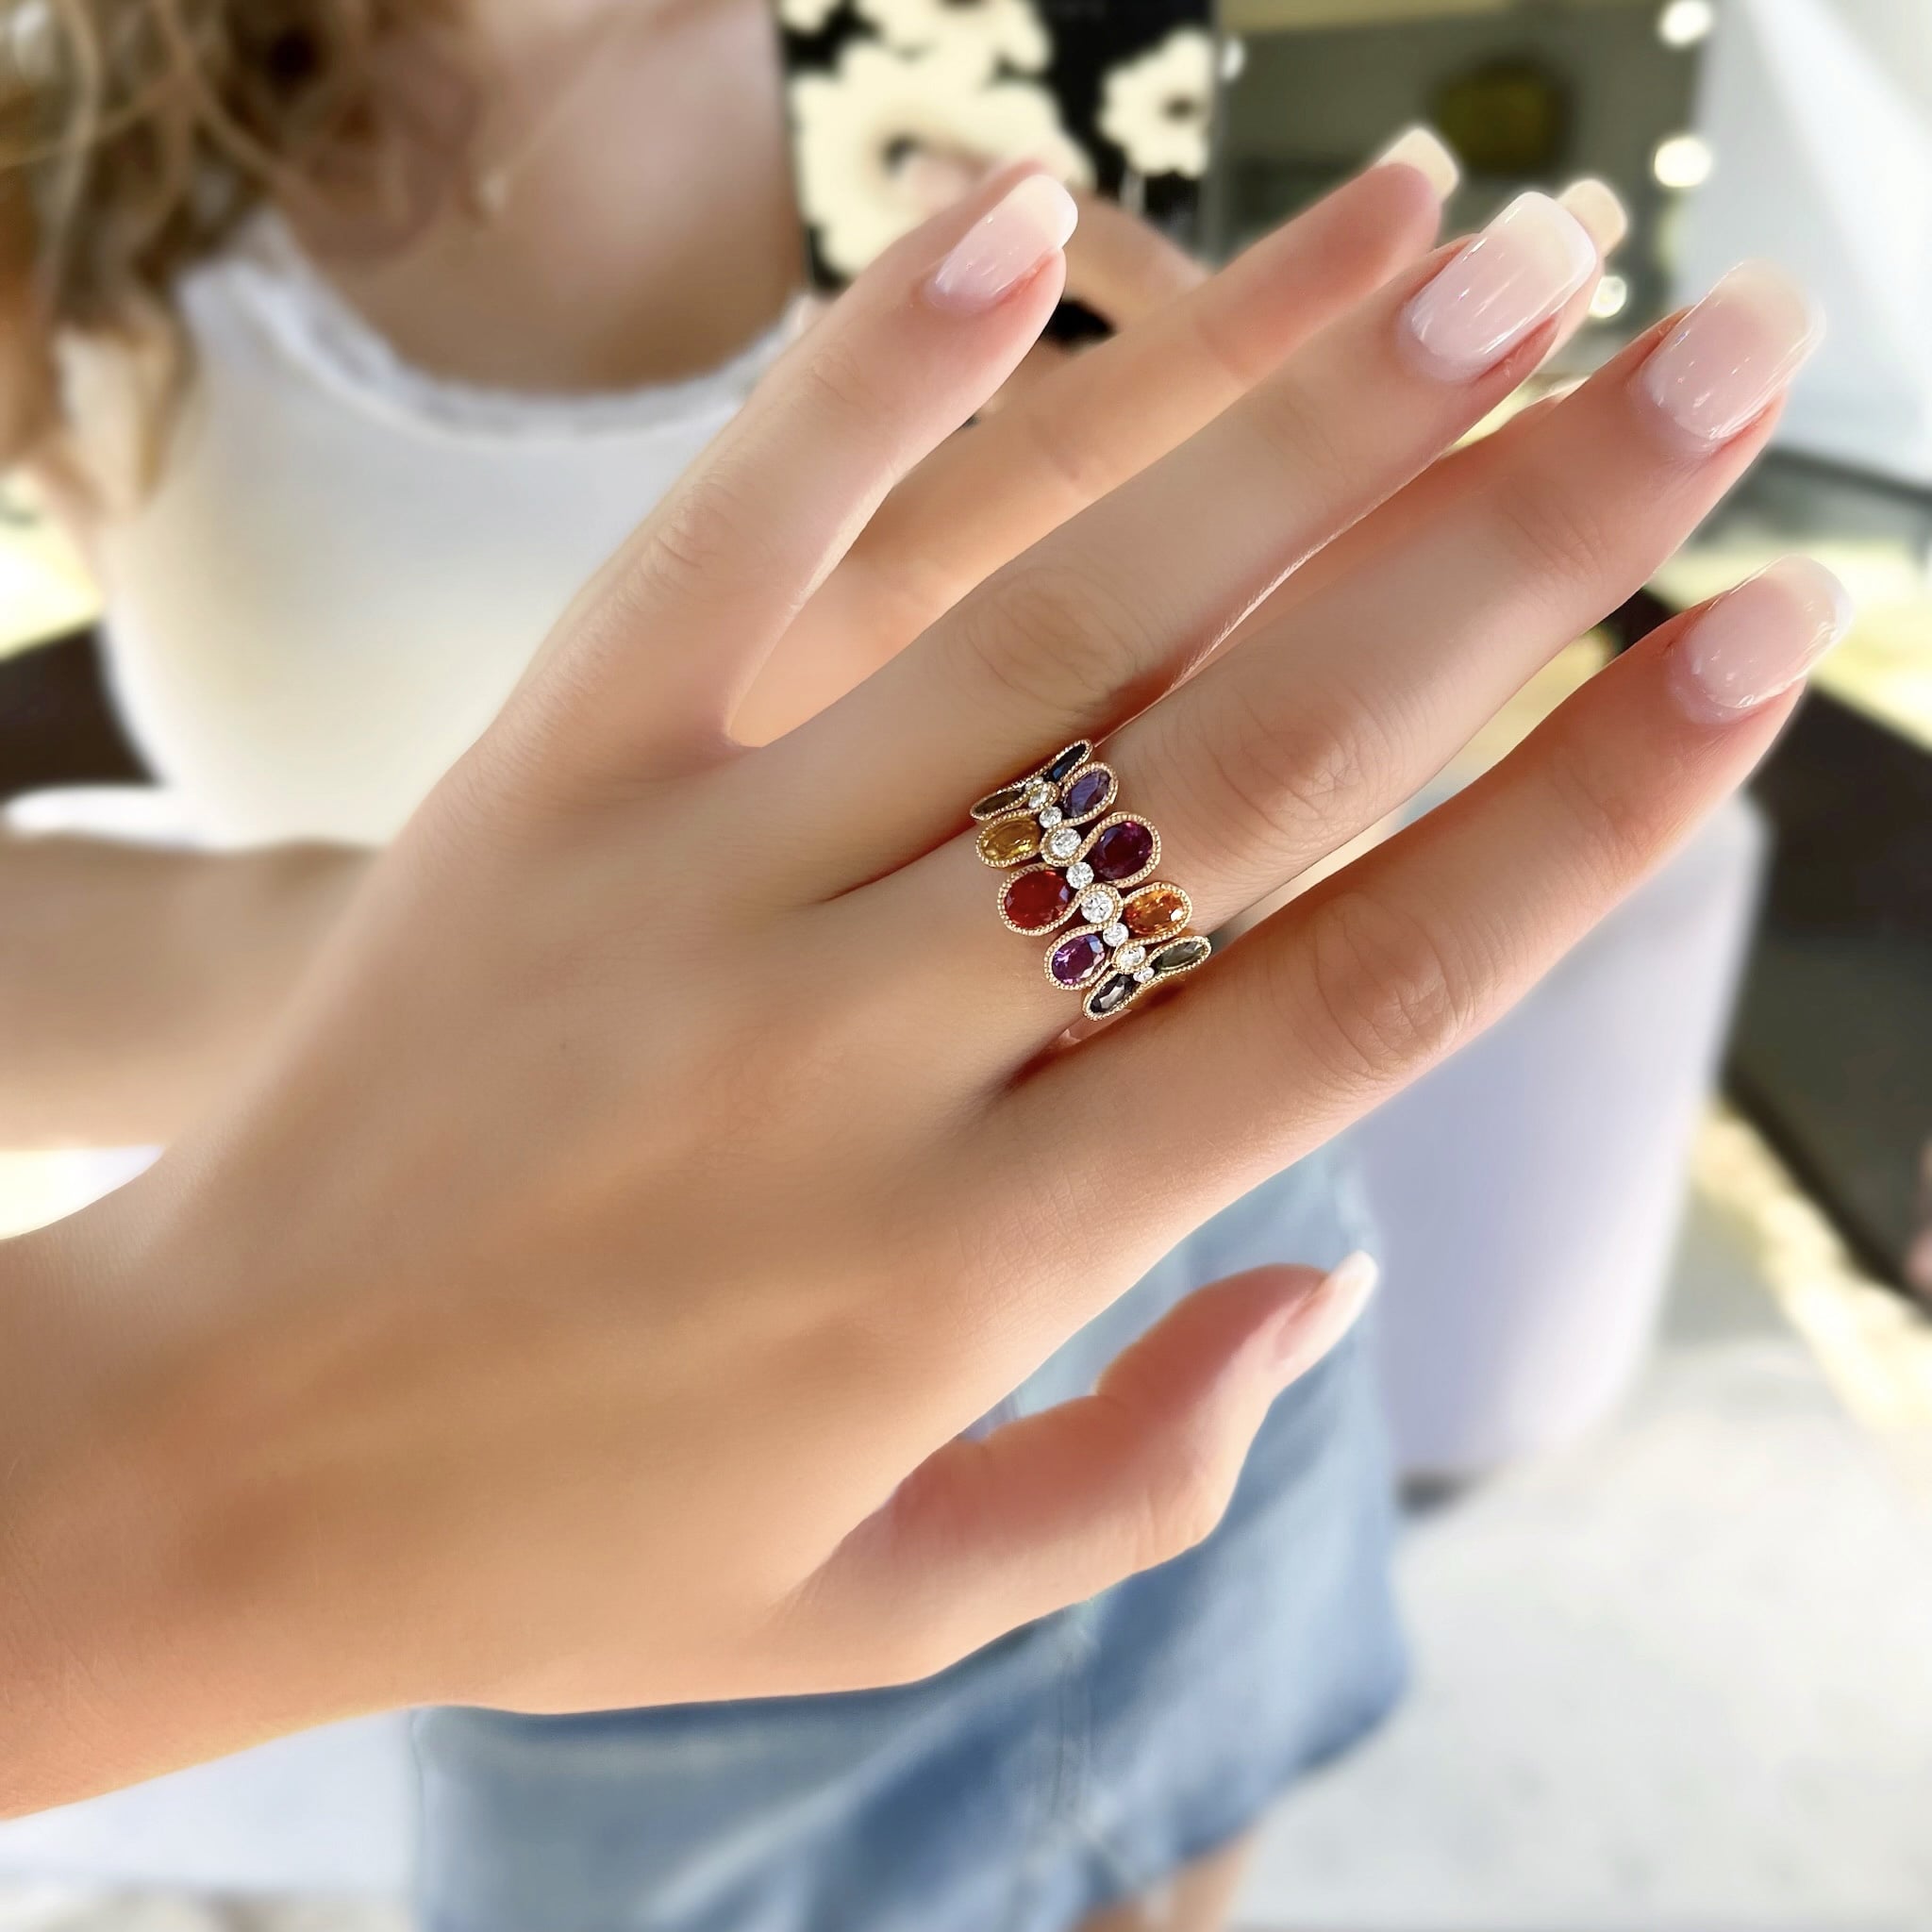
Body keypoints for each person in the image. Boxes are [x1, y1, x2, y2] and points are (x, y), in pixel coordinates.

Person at [0, 6, 1835, 1928]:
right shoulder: (70, 162)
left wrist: (1272, 579)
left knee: (1174, 1811)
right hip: (509, 1345)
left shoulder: (988, 40)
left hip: (1148, 1198)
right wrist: (425, 989)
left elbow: (1227, 713)